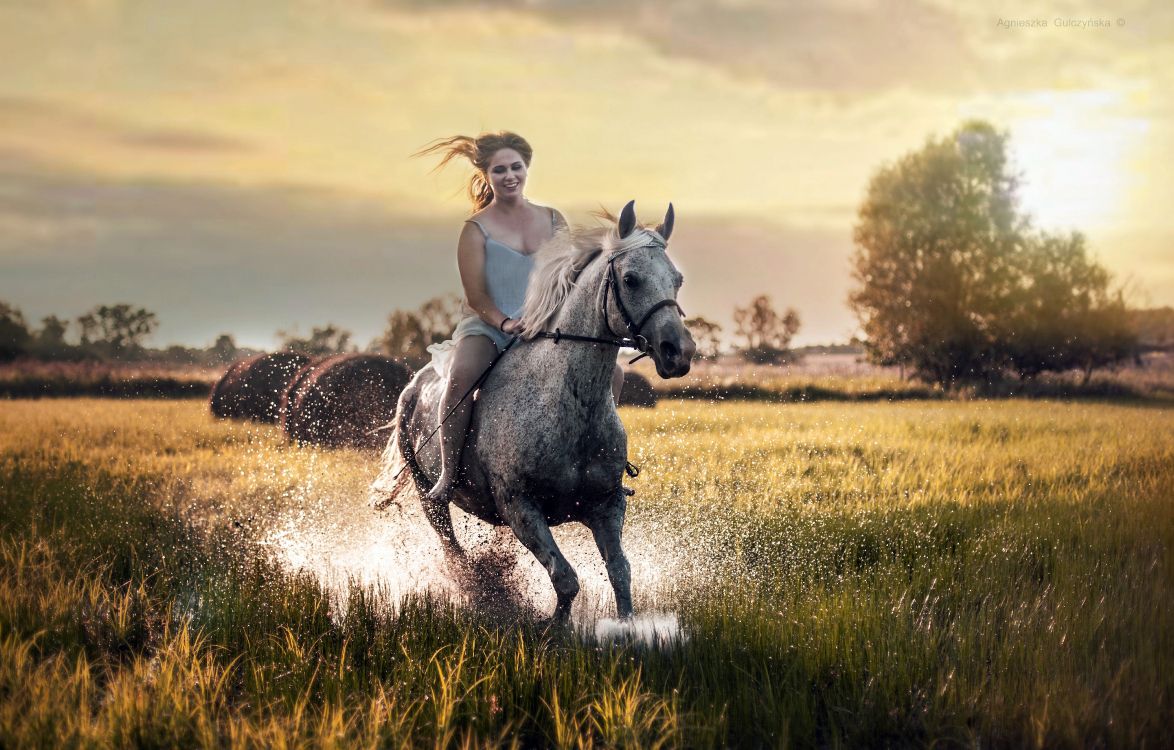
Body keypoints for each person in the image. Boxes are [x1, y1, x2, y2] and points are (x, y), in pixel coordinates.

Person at [418, 131, 625, 505]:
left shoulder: (552, 219)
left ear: (527, 168)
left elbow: (567, 278)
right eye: (500, 170)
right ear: (486, 175)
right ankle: (448, 474)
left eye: (516, 167)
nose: (510, 175)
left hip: (545, 324)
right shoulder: (474, 230)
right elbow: (476, 297)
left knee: (615, 373)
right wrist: (504, 323)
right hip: (489, 326)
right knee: (463, 376)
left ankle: (598, 464)